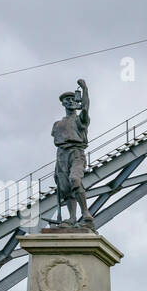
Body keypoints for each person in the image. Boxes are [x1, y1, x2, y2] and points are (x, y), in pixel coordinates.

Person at [51, 79, 94, 225]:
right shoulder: (57, 124)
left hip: (76, 153)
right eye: (66, 100)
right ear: (63, 103)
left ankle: (85, 212)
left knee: (75, 180)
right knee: (65, 189)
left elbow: (86, 108)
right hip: (61, 156)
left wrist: (85, 90)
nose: (69, 102)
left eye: (71, 99)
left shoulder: (80, 119)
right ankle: (72, 218)